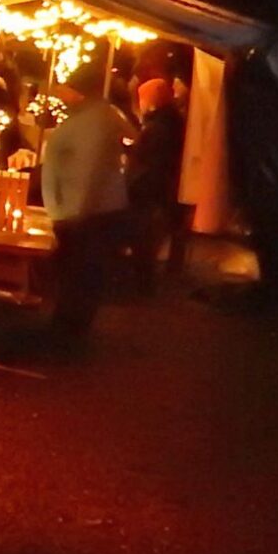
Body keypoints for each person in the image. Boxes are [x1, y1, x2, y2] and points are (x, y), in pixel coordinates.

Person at [42, 60, 131, 348]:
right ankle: (69, 329)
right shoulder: (98, 116)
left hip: (87, 214)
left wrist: (72, 214)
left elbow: (86, 171)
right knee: (82, 274)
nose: (60, 93)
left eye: (65, 88)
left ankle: (67, 334)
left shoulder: (93, 120)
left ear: (78, 91)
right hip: (91, 210)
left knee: (80, 274)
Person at [126, 76, 188, 289]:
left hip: (149, 190)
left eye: (142, 99)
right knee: (147, 236)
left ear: (151, 101)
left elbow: (149, 161)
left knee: (143, 236)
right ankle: (144, 279)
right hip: (160, 188)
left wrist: (132, 181)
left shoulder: (157, 128)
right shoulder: (171, 123)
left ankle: (143, 282)